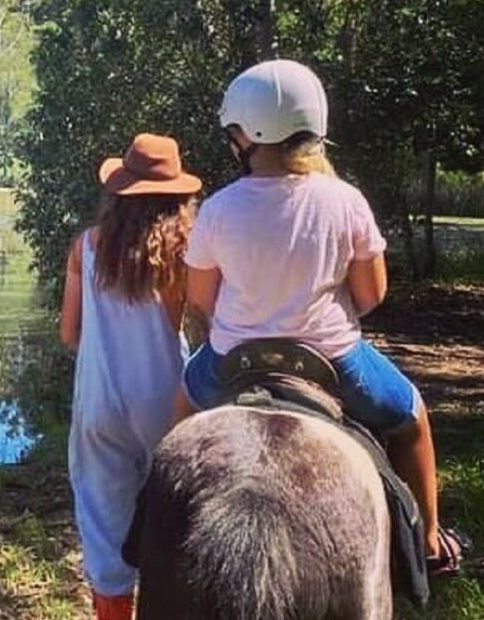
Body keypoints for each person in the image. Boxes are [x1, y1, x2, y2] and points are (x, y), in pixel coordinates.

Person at [176, 59, 467, 577]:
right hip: (333, 360)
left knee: (181, 404)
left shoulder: (218, 208)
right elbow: (372, 293)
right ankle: (426, 543)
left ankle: (161, 520)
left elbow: (201, 297)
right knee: (412, 419)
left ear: (247, 134)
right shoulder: (346, 200)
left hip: (232, 362)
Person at [60, 133, 201, 620]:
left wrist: (106, 351)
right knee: (174, 518)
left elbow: (70, 332)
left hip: (100, 399)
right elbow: (200, 322)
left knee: (104, 525)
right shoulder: (188, 250)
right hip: (167, 399)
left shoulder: (87, 247)